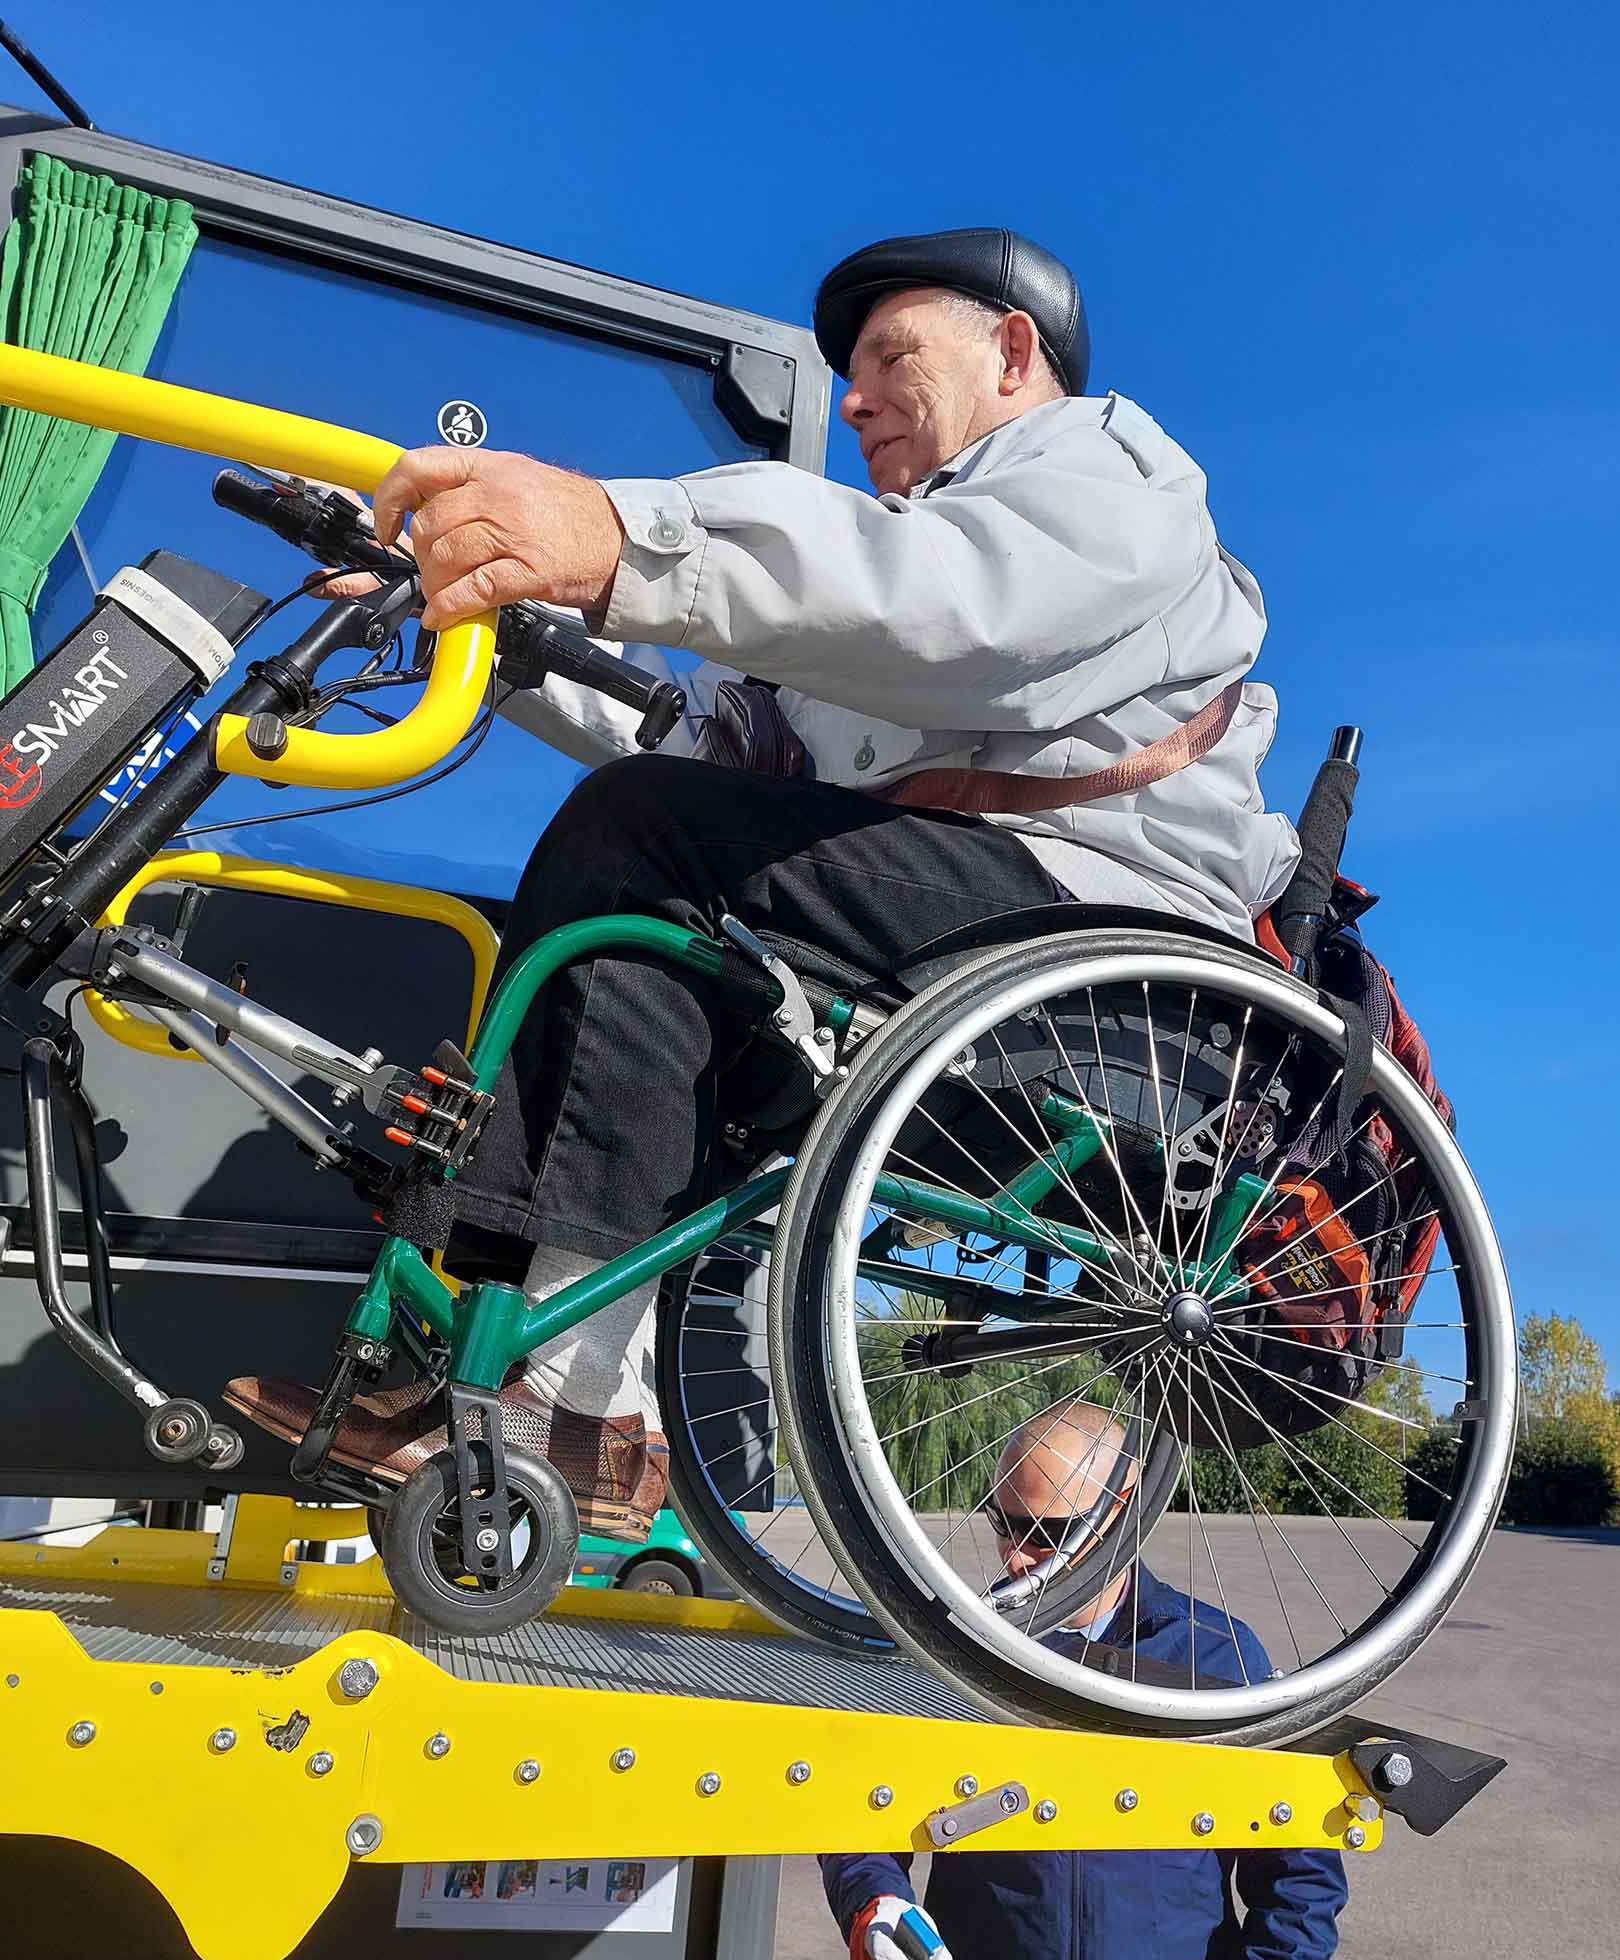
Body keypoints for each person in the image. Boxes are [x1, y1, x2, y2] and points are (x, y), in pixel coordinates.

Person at [227, 228, 1300, 1518]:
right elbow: (696, 738)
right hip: (958, 926)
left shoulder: (1105, 470)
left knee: (648, 839)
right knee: (637, 918)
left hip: (1105, 942)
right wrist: (483, 601)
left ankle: (565, 1394)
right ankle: (567, 1397)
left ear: (1014, 353)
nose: (852, 400)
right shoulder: (879, 569)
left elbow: (961, 607)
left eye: (890, 356)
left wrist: (615, 530)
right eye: (849, 374)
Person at [821, 1402, 1349, 1960]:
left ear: (1125, 1511)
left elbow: (1300, 1889)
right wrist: (869, 1899)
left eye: (1047, 1533)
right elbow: (864, 1810)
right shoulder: (956, 1653)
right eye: (1003, 1522)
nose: (1014, 1557)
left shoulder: (1216, 1661)